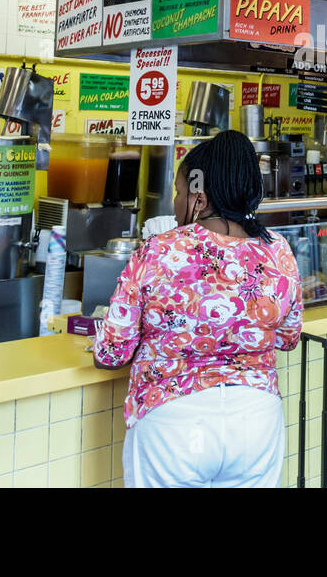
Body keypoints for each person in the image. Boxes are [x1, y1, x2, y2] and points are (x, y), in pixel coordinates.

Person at [93, 130, 303, 487]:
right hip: (255, 422)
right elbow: (288, 337)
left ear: (200, 199)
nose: (176, 202)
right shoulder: (277, 250)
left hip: (173, 424)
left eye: (178, 192)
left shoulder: (159, 250)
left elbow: (112, 352)